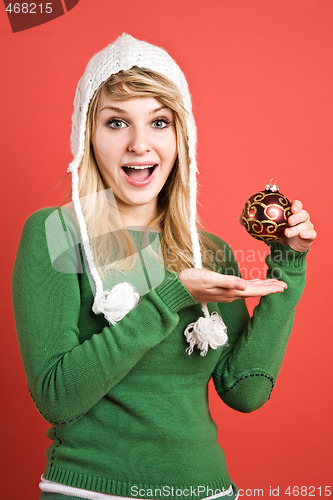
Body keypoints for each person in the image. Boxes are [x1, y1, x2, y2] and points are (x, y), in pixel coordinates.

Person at [11, 33, 316, 500]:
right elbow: (57, 397)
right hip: (92, 493)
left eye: (159, 121)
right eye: (116, 123)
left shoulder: (207, 251)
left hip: (211, 492)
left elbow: (245, 393)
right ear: (86, 136)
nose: (139, 144)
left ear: (182, 136)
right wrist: (173, 296)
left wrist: (288, 267)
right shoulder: (55, 233)